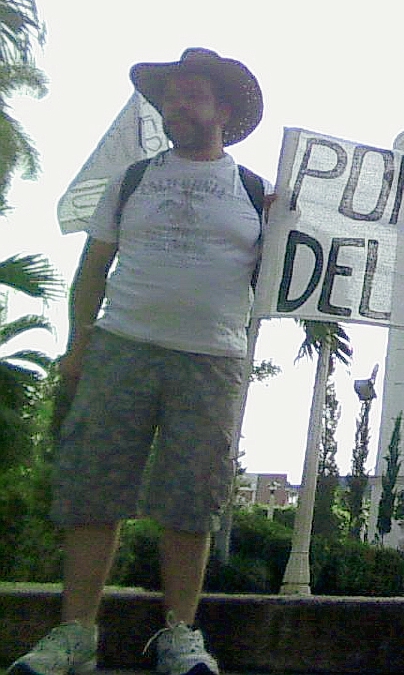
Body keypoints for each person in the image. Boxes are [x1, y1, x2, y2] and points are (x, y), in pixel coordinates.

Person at [9, 48, 267, 675]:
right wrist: (77, 348)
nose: (178, 103)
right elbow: (92, 268)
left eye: (192, 92)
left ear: (222, 109)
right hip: (120, 348)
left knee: (191, 500)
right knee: (94, 490)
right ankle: (75, 634)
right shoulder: (132, 181)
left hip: (213, 360)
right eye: (171, 94)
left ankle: (180, 634)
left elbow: (292, 276)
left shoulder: (260, 194)